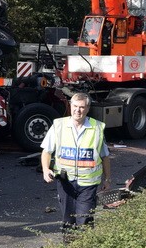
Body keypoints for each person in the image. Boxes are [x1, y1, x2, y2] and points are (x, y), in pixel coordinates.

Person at [40, 93, 111, 236]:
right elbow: (47, 151)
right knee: (68, 220)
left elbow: (104, 156)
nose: (78, 110)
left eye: (82, 107)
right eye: (75, 106)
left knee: (84, 219)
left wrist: (107, 178)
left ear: (87, 109)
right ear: (70, 106)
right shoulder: (59, 126)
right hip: (66, 182)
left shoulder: (96, 128)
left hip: (88, 184)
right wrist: (45, 169)